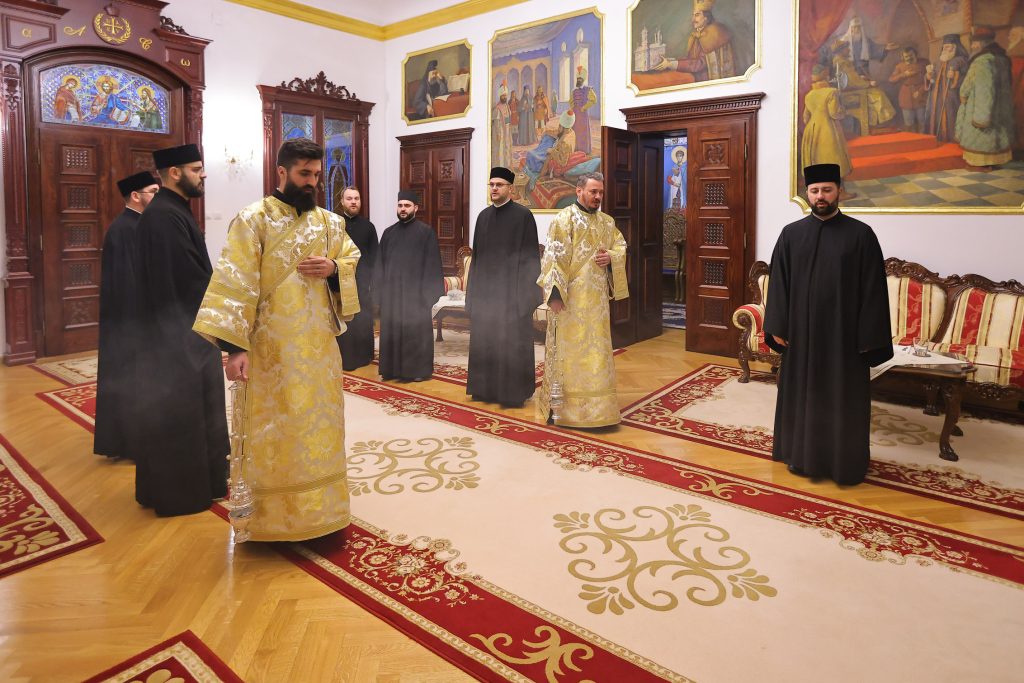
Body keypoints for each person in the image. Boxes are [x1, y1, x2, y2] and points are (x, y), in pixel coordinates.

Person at [193, 139, 360, 541]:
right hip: (272, 352)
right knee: (275, 432)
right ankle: (273, 520)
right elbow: (235, 282)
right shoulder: (253, 220)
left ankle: (324, 513)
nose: (312, 182)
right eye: (304, 174)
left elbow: (351, 258)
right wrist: (235, 348)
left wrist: (334, 267)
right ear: (282, 172)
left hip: (319, 350)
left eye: (316, 175)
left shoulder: (330, 223)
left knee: (320, 430)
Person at [763, 163, 893, 486]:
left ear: (839, 192)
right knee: (803, 396)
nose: (820, 196)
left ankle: (843, 464)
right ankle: (800, 457)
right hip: (801, 339)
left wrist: (868, 339)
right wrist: (777, 325)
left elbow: (873, 290)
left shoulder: (861, 235)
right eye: (814, 190)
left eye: (827, 190)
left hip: (843, 341)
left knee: (841, 400)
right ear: (807, 194)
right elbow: (778, 284)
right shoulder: (791, 235)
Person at [133, 143, 229, 516]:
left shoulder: (172, 210)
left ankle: (198, 484)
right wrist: (224, 315)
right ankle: (181, 494)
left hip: (183, 332)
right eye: (196, 168)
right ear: (174, 173)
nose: (203, 174)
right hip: (178, 339)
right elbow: (188, 281)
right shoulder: (164, 217)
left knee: (192, 412)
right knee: (180, 414)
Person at [536, 172, 628, 428]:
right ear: (579, 191)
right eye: (593, 192)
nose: (598, 197)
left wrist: (611, 257)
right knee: (569, 355)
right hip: (570, 302)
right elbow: (554, 259)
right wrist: (555, 296)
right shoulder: (564, 219)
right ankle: (566, 411)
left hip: (597, 305)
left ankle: (600, 412)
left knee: (597, 355)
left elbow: (620, 246)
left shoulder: (607, 222)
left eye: (601, 192)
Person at [94, 171, 159, 461]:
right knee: (130, 380)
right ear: (136, 196)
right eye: (153, 191)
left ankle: (128, 442)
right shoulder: (124, 229)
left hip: (132, 321)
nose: (157, 197)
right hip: (129, 322)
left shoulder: (138, 225)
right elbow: (128, 282)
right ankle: (129, 444)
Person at [466, 167, 542, 407]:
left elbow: (531, 260)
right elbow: (477, 259)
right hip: (486, 296)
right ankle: (483, 389)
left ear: (510, 188)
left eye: (499, 185)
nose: (494, 189)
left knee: (511, 344)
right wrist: (472, 296)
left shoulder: (523, 216)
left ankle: (512, 393)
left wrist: (524, 299)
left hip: (512, 296)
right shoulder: (483, 217)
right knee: (485, 341)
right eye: (491, 185)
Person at [373, 190, 444, 382]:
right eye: (400, 205)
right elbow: (380, 265)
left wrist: (428, 296)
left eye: (407, 205)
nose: (403, 209)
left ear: (415, 208)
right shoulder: (388, 233)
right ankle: (391, 370)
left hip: (416, 297)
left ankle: (417, 371)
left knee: (415, 334)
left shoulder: (426, 232)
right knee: (392, 331)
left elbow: (433, 265)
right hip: (392, 296)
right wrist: (379, 294)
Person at [955, 26, 1015, 170]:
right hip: (1000, 107)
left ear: (981, 44)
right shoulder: (1002, 58)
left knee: (981, 135)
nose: (972, 46)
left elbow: (976, 85)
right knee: (996, 135)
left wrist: (963, 94)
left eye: (974, 43)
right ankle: (994, 161)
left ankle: (981, 164)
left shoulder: (981, 61)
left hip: (980, 106)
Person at [337, 186, 378, 371]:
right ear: (342, 202)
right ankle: (343, 357)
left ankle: (364, 355)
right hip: (339, 280)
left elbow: (375, 257)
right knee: (344, 319)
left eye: (356, 198)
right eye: (349, 198)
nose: (353, 202)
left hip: (362, 281)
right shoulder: (335, 225)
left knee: (362, 319)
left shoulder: (368, 227)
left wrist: (372, 282)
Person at [801, 64, 856, 199]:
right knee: (834, 160)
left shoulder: (809, 95)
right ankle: (840, 193)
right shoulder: (831, 92)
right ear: (825, 74)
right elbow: (834, 113)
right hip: (827, 129)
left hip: (812, 130)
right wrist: (843, 110)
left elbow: (805, 118)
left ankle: (821, 194)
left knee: (818, 162)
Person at [652, 0, 736, 82]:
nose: (693, 19)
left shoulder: (713, 34)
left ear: (706, 18)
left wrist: (671, 64)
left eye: (697, 15)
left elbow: (699, 64)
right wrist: (670, 62)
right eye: (693, 15)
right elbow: (691, 59)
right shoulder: (697, 35)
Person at [925, 34, 969, 142]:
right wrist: (928, 76)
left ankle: (951, 141)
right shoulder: (937, 61)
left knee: (951, 118)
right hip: (937, 98)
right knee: (936, 119)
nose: (945, 49)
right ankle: (937, 139)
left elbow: (967, 78)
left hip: (952, 97)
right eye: (944, 47)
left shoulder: (961, 61)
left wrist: (955, 77)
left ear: (955, 47)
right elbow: (932, 78)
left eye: (948, 47)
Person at [888, 47, 929, 133]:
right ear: (903, 57)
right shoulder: (900, 66)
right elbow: (891, 79)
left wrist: (920, 91)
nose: (909, 58)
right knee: (909, 122)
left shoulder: (924, 63)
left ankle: (923, 138)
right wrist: (904, 74)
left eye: (911, 55)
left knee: (922, 121)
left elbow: (929, 79)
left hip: (921, 96)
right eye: (906, 56)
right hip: (906, 96)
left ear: (915, 54)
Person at [570, 66, 597, 154]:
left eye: (580, 79)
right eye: (578, 79)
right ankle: (576, 149)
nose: (579, 80)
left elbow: (594, 100)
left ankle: (584, 150)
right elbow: (571, 101)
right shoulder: (574, 91)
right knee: (575, 131)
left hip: (583, 114)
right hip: (575, 114)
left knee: (583, 132)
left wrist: (584, 107)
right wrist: (573, 108)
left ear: (583, 80)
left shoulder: (588, 90)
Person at [491, 82, 513, 168]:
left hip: (507, 130)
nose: (505, 97)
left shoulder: (507, 106)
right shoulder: (497, 108)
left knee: (507, 148)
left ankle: (507, 165)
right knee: (500, 149)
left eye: (505, 96)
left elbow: (508, 117)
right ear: (500, 96)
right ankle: (500, 166)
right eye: (503, 96)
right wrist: (498, 133)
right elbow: (497, 122)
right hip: (500, 131)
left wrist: (509, 128)